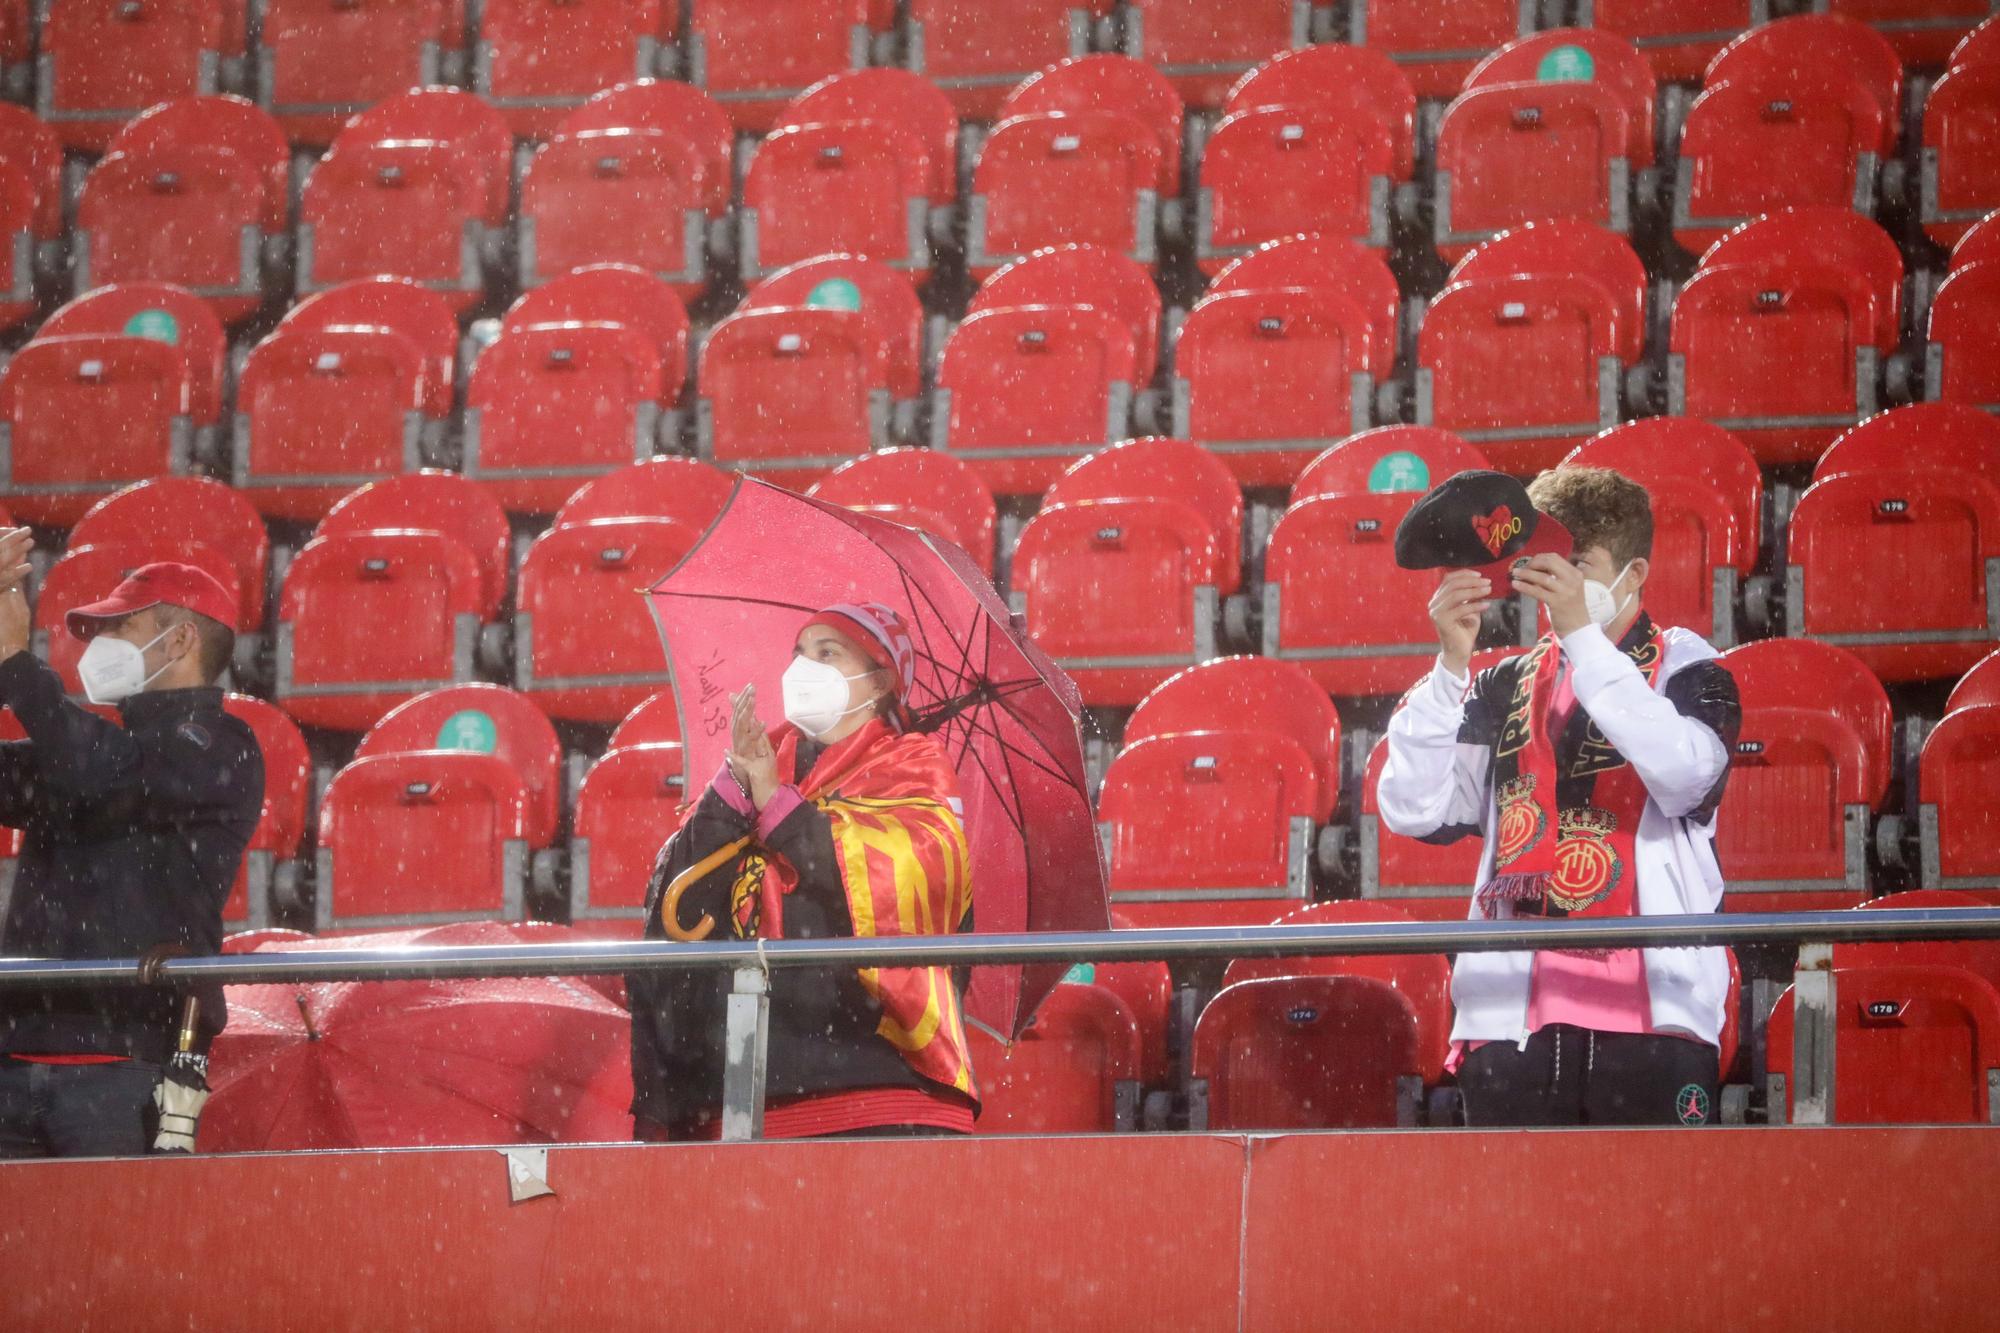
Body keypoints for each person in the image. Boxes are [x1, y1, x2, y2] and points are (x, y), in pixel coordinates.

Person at [1376, 468, 1741, 1126]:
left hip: (1654, 1013)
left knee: (1653, 1224)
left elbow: (1690, 777)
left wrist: (1585, 642)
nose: (1558, 581)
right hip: (1511, 1015)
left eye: (1579, 565)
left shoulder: (1689, 665)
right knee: (1514, 1228)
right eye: (1547, 563)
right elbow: (1415, 808)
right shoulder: (1505, 682)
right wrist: (1449, 668)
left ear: (1632, 573)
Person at [628, 601, 979, 1139]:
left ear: (880, 679)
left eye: (827, 653)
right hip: (740, 1095)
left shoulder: (914, 767)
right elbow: (681, 908)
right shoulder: (764, 758)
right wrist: (737, 790)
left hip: (874, 1090)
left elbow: (894, 889)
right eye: (799, 653)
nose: (803, 668)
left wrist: (779, 807)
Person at [0, 542, 264, 1157]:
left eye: (121, 625)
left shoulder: (222, 744)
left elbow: (109, 773)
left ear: (178, 642)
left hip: (122, 1071)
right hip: (14, 1060)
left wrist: (16, 663)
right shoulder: (90, 753)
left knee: (111, 1248)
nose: (100, 645)